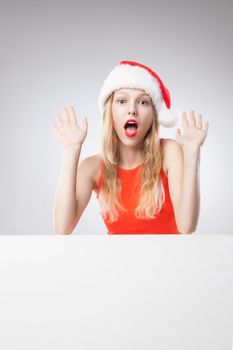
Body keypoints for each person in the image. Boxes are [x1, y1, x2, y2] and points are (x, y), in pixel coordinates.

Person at [51, 60, 209, 235]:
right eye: (122, 101)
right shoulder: (92, 167)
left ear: (153, 117)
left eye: (143, 102)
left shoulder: (169, 152)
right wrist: (71, 150)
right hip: (118, 261)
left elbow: (187, 227)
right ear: (110, 112)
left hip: (169, 260)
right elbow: (62, 228)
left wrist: (192, 153)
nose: (132, 110)